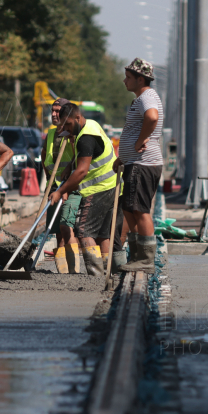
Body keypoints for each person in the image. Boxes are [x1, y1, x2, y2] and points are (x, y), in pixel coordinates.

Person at [50, 103, 122, 276]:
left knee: (84, 232)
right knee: (103, 235)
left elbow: (82, 171)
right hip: (112, 185)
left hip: (98, 189)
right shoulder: (91, 125)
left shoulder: (85, 138)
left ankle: (96, 274)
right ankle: (110, 272)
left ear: (77, 117)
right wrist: (71, 164)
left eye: (68, 125)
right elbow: (90, 154)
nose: (66, 129)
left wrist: (60, 191)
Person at [115, 58, 164, 273]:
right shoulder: (142, 98)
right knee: (129, 208)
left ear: (140, 79)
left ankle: (145, 259)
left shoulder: (148, 97)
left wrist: (140, 140)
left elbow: (152, 118)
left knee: (140, 210)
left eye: (128, 77)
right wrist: (123, 157)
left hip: (143, 164)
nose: (124, 81)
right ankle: (136, 255)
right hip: (134, 163)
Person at [40, 98, 80, 274]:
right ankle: (62, 272)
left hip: (70, 186)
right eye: (53, 111)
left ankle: (74, 270)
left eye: (58, 111)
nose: (55, 114)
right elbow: (44, 155)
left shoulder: (71, 132)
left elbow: (78, 159)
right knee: (56, 230)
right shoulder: (50, 133)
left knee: (67, 226)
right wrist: (49, 178)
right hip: (54, 186)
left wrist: (65, 188)